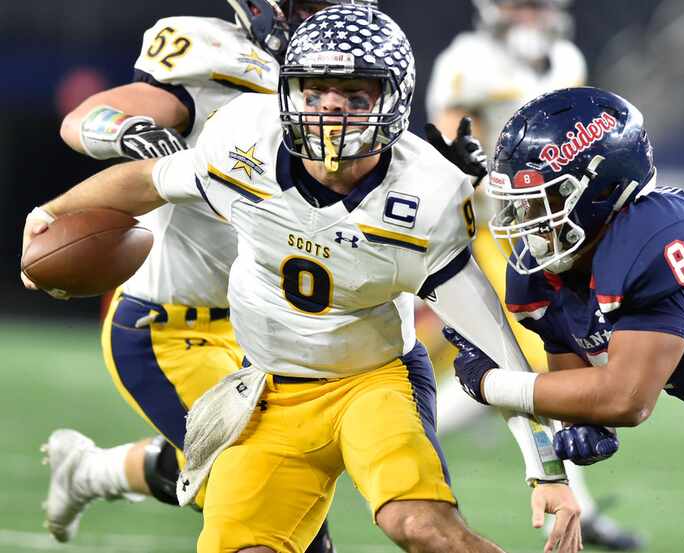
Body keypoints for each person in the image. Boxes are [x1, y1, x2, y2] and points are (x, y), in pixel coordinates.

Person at [23, 5, 589, 553]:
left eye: (354, 96)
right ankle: (93, 471)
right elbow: (143, 176)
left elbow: (496, 346)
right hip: (263, 377)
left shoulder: (430, 195)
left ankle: (93, 471)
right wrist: (52, 212)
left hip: (372, 377)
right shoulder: (245, 133)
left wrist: (546, 471)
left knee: (419, 525)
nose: (330, 112)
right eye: (314, 93)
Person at [42, 1, 375, 549]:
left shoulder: (348, 81)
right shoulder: (216, 54)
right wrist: (129, 133)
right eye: (316, 4)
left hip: (260, 331)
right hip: (168, 328)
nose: (329, 18)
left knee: (254, 473)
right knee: (274, 500)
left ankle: (88, 471)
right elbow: (86, 116)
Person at [444, 86, 684, 553]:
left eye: (543, 201)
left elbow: (626, 399)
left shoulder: (660, 233)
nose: (528, 222)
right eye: (521, 204)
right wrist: (580, 428)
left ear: (601, 190)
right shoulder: (546, 275)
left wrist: (491, 384)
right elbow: (579, 388)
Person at [426, 2, 642, 549]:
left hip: (552, 229)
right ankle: (575, 501)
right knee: (527, 358)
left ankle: (411, 429)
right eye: (522, 3)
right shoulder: (468, 58)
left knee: (516, 360)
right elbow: (452, 144)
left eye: (539, 3)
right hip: (491, 228)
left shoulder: (565, 58)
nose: (532, 14)